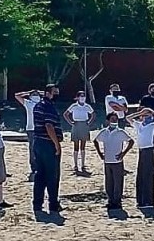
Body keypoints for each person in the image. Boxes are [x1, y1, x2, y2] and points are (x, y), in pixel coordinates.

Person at [32, 84, 64, 214]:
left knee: (40, 174)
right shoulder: (48, 107)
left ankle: (37, 204)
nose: (56, 95)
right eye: (54, 92)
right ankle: (53, 203)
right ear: (47, 93)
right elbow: (49, 126)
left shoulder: (38, 106)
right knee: (52, 175)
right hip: (47, 143)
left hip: (38, 142)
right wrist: (56, 144)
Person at [94, 112, 135, 210]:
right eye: (112, 119)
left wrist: (123, 153)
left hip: (117, 161)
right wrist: (100, 153)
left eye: (115, 119)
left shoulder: (120, 132)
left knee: (118, 182)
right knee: (109, 182)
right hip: (107, 160)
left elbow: (131, 141)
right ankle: (110, 200)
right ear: (108, 121)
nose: (114, 121)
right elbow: (95, 140)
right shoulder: (104, 132)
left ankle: (117, 201)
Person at [127, 107, 154, 209]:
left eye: (148, 116)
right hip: (141, 151)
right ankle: (140, 200)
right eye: (144, 116)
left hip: (148, 151)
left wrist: (152, 112)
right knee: (140, 175)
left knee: (148, 175)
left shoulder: (152, 125)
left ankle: (148, 201)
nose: (146, 117)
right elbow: (128, 118)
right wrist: (140, 113)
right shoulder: (138, 125)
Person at [64, 91, 95, 174]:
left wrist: (89, 123)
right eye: (81, 96)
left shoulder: (87, 106)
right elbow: (66, 114)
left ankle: (83, 164)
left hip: (84, 124)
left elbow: (93, 114)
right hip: (76, 124)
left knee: (83, 146)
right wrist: (71, 122)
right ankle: (75, 165)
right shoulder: (74, 106)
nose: (82, 97)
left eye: (84, 96)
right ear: (77, 97)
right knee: (76, 146)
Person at [15, 89, 41, 180]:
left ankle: (41, 166)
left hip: (41, 128)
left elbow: (50, 94)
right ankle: (34, 168)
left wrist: (40, 92)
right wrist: (27, 92)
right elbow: (17, 96)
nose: (35, 96)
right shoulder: (28, 103)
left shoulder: (42, 103)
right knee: (32, 149)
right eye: (33, 95)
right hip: (31, 129)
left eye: (37, 94)